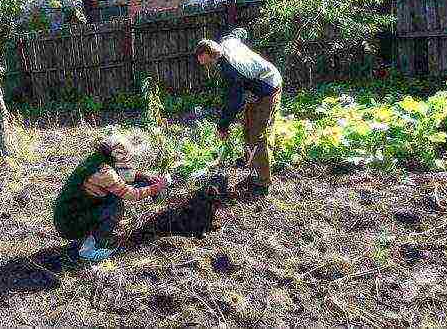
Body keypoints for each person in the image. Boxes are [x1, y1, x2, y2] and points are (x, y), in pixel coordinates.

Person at [195, 28, 282, 196]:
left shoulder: (230, 71)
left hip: (269, 88)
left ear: (212, 54)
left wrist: (223, 126)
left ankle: (262, 183)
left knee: (258, 135)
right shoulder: (227, 41)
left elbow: (234, 102)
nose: (207, 67)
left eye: (207, 63)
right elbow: (240, 32)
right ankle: (253, 168)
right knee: (248, 130)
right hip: (254, 89)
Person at [53, 133, 167, 262]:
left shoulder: (98, 159)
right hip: (70, 223)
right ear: (118, 154)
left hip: (70, 213)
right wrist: (156, 188)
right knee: (115, 206)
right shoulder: (105, 172)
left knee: (112, 198)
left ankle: (93, 234)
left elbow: (123, 174)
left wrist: (144, 177)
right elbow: (132, 194)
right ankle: (90, 249)